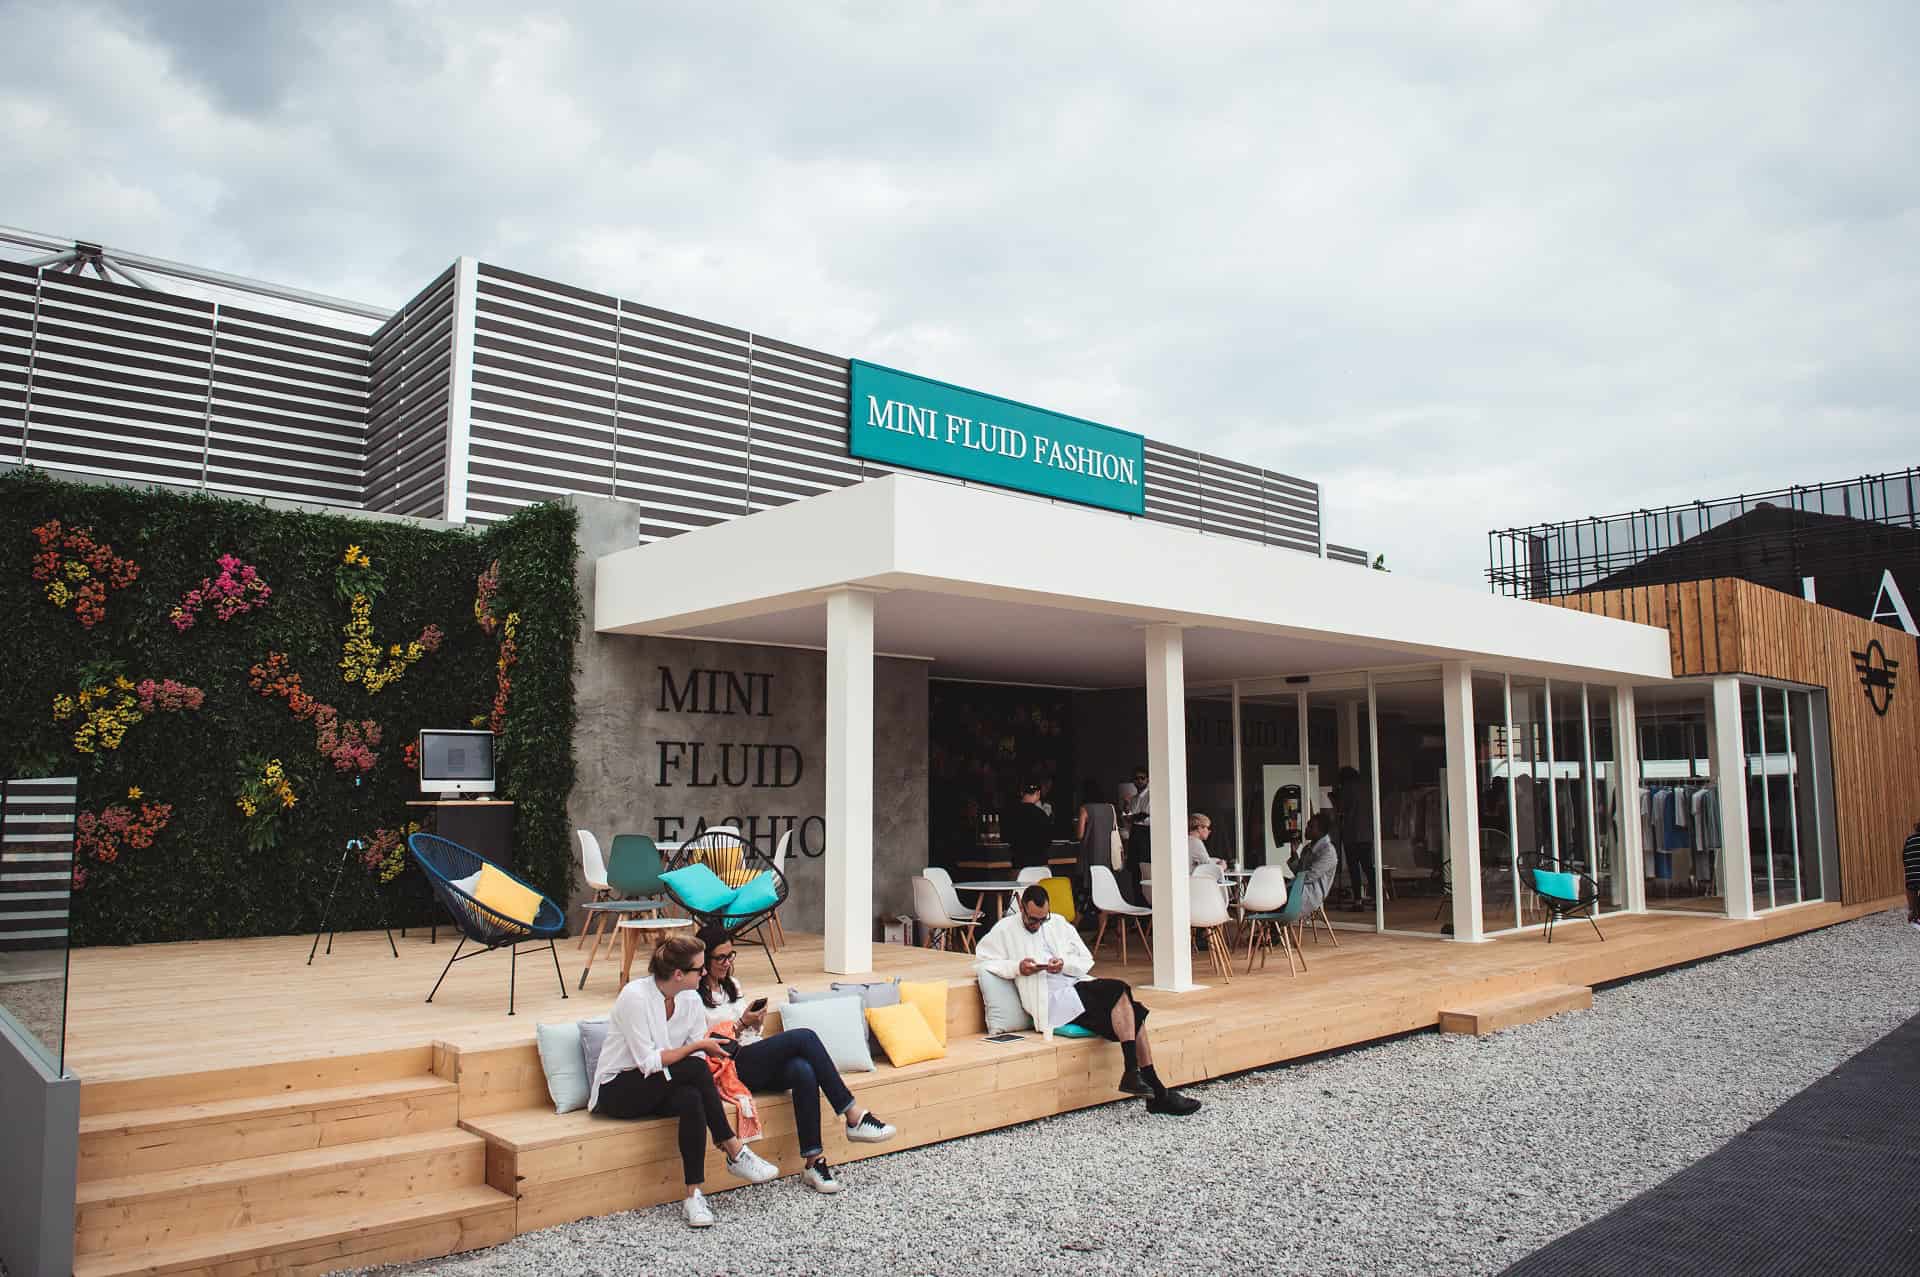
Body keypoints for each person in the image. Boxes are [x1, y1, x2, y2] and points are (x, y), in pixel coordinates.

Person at [589, 935, 779, 1228]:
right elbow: (648, 1062)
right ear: (678, 974)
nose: (704, 973)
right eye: (698, 969)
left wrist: (703, 1048)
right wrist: (699, 1046)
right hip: (619, 1089)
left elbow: (696, 1056)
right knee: (694, 1066)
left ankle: (693, 1195)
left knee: (691, 1096)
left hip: (661, 1083)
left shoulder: (690, 998)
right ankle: (733, 1149)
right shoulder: (635, 997)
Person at [693, 926, 898, 1195]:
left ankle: (814, 1162)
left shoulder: (732, 985)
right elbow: (705, 1044)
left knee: (803, 1070)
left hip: (751, 1055)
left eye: (731, 955)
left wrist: (754, 1022)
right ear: (704, 960)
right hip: (726, 1066)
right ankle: (852, 1114)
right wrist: (741, 1023)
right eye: (720, 958)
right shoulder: (692, 996)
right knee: (804, 1037)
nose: (727, 962)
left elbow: (750, 1034)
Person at [975, 884, 1201, 1116]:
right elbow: (983, 960)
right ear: (1022, 908)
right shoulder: (1005, 929)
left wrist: (1064, 963)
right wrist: (1018, 967)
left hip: (1075, 985)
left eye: (1043, 919)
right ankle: (1140, 1080)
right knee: (1118, 989)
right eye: (1033, 920)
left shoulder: (1058, 923)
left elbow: (1085, 958)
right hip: (1049, 1001)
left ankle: (1153, 1090)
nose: (1038, 924)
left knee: (1133, 1009)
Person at [1334, 766, 1375, 909]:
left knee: (1354, 868)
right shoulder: (1366, 790)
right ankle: (1376, 897)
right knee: (1368, 867)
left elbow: (1341, 810)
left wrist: (1335, 799)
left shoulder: (1346, 790)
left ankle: (1358, 900)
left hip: (1351, 835)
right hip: (1366, 835)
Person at [1291, 814, 1339, 921]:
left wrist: (1288, 883)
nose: (1306, 829)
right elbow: (1299, 873)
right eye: (1308, 825)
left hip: (1311, 895)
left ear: (1321, 832)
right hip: (1299, 889)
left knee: (1275, 899)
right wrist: (1294, 853)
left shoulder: (1328, 851)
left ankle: (1274, 928)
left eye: (1311, 827)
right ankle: (1273, 928)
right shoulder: (1307, 849)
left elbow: (1309, 876)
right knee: (1272, 893)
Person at [1005, 781, 1053, 871]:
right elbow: (1048, 841)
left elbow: (1006, 838)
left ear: (1021, 793)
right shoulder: (1042, 814)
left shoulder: (1010, 813)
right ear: (1038, 793)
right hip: (1040, 866)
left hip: (1019, 866)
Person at [1905, 818, 1920, 931]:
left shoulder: (1909, 839)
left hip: (1911, 876)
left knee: (1911, 887)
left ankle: (1913, 912)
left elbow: (1905, 858)